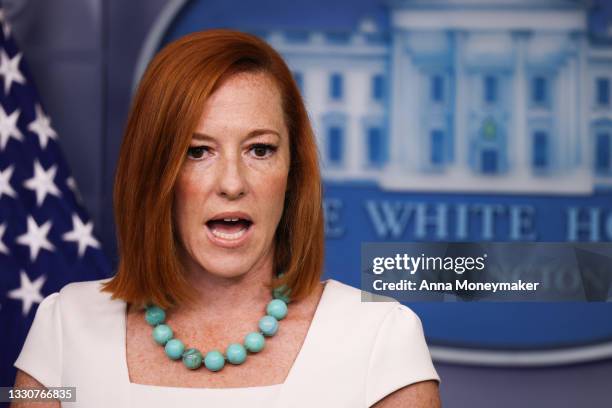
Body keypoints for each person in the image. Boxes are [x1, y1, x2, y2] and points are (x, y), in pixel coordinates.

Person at [12, 29, 441, 407]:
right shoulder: (63, 327)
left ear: (293, 172)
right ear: (154, 170)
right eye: (198, 151)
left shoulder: (382, 339)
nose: (232, 183)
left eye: (260, 149)